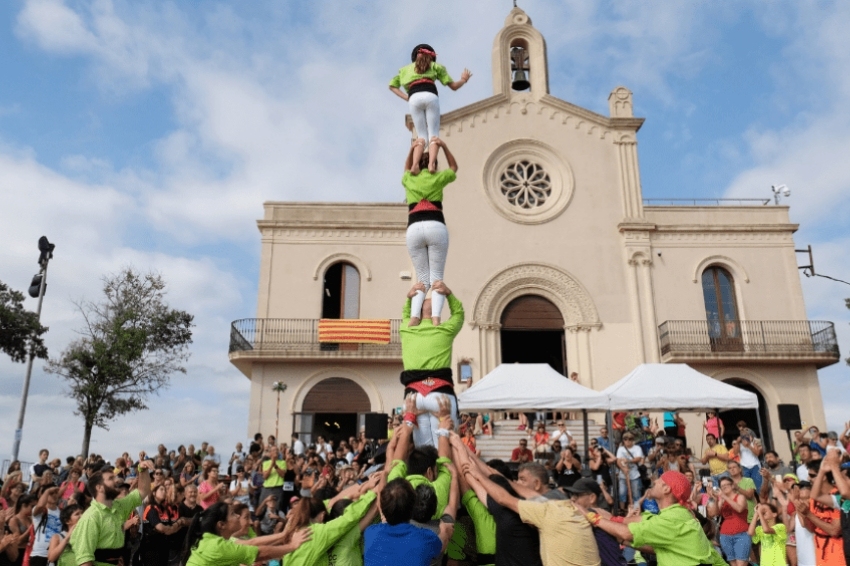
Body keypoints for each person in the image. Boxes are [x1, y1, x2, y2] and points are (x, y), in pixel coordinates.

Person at [464, 461, 601, 566]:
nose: (573, 499)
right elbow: (522, 490)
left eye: (522, 479)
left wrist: (478, 475)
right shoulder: (557, 503)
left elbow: (503, 498)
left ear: (536, 483)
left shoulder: (547, 509)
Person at [588, 470, 726, 566]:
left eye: (658, 482)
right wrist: (614, 520)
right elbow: (646, 526)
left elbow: (627, 532)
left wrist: (592, 517)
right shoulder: (677, 513)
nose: (654, 483)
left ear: (666, 489)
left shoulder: (672, 519)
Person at [400, 139, 458, 326]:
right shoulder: (437, 178)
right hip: (435, 226)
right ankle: (435, 318)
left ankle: (415, 316)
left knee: (422, 279)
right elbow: (454, 167)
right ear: (433, 164)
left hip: (414, 229)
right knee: (437, 279)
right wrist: (443, 146)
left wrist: (412, 150)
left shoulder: (409, 179)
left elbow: (407, 168)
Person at [399, 280, 464, 447]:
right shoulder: (445, 329)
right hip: (440, 393)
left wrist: (409, 297)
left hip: (414, 395)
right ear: (438, 311)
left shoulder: (406, 328)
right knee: (448, 447)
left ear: (417, 313)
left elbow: (406, 314)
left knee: (422, 452)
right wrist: (448, 293)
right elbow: (459, 314)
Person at [389, 44, 471, 174]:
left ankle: (415, 165)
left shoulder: (405, 70)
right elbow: (454, 86)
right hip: (431, 96)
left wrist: (407, 98)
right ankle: (432, 164)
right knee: (434, 135)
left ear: (415, 56)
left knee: (421, 136)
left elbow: (392, 86)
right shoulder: (435, 67)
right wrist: (463, 79)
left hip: (414, 99)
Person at [281, 474, 381, 566]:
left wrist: (363, 487)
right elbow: (348, 518)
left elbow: (332, 502)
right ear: (322, 515)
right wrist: (371, 494)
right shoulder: (317, 532)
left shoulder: (293, 529)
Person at [71, 459, 154, 566]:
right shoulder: (91, 517)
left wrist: (142, 470)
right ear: (99, 488)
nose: (116, 481)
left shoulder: (118, 506)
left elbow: (143, 491)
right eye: (110, 478)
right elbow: (85, 561)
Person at [182, 501, 309, 566]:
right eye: (233, 514)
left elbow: (250, 545)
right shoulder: (216, 546)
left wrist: (283, 535)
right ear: (221, 525)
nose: (237, 516)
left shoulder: (212, 540)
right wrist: (292, 546)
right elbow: (259, 552)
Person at [363, 478, 453, 566]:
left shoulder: (370, 533)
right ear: (413, 508)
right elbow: (443, 540)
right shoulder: (426, 539)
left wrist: (384, 474)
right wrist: (443, 527)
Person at [708, 476, 750, 566]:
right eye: (722, 486)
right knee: (732, 563)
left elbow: (739, 509)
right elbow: (714, 514)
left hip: (741, 533)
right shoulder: (722, 500)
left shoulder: (740, 497)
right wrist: (716, 500)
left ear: (732, 486)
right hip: (725, 534)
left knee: (741, 563)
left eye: (727, 484)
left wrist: (724, 496)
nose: (724, 487)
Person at [139, 484, 179, 566]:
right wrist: (170, 529)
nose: (164, 492)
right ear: (154, 493)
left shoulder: (165, 509)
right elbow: (160, 527)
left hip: (163, 546)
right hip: (151, 548)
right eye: (161, 489)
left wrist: (170, 528)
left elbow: (171, 526)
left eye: (165, 490)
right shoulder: (151, 508)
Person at [28, 486, 63, 566]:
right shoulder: (40, 511)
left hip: (55, 554)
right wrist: (47, 490)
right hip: (39, 554)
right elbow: (40, 505)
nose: (54, 495)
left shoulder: (62, 512)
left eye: (56, 493)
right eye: (51, 493)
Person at [616, 433, 644, 509]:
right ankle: (622, 510)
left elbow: (638, 458)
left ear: (633, 440)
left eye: (630, 439)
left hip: (634, 474)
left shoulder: (637, 448)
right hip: (623, 475)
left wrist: (628, 461)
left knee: (636, 494)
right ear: (623, 440)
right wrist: (623, 469)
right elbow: (618, 461)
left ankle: (636, 510)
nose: (628, 441)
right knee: (622, 493)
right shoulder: (621, 449)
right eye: (625, 439)